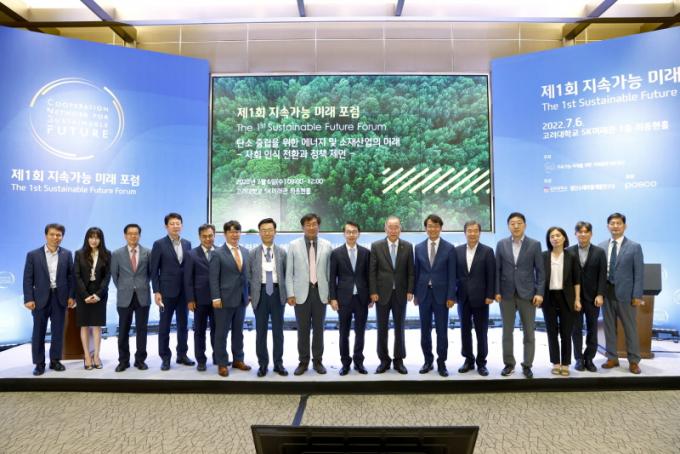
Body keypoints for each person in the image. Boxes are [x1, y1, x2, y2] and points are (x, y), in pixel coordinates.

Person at [495, 212, 545, 378]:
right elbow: (497, 270)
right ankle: (509, 364)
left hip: (528, 294)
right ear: (508, 226)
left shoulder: (535, 244)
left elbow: (540, 271)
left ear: (525, 225)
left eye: (519, 223)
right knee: (507, 331)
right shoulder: (501, 244)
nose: (515, 226)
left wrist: (539, 293)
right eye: (512, 223)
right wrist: (497, 291)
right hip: (506, 293)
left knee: (529, 332)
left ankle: (527, 365)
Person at [22, 223, 75, 376]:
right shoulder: (33, 255)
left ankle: (55, 361)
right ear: (46, 235)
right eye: (52, 234)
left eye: (59, 235)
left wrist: (71, 296)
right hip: (39, 299)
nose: (55, 237)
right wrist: (28, 298)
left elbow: (71, 277)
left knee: (58, 331)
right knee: (38, 332)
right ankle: (39, 363)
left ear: (62, 237)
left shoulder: (67, 254)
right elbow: (27, 278)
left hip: (60, 298)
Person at [286, 213, 332, 376]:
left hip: (320, 293)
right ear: (303, 227)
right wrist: (290, 293)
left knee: (319, 329)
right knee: (303, 330)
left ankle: (318, 361)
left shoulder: (327, 245)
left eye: (314, 224)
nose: (311, 227)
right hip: (300, 294)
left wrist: (331, 294)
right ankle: (303, 361)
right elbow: (289, 272)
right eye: (308, 225)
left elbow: (329, 272)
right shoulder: (293, 245)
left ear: (318, 226)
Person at [598, 213, 644, 374]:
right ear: (608, 226)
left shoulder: (634, 247)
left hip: (626, 295)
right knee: (609, 328)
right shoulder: (601, 246)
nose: (615, 226)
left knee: (630, 329)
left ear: (625, 226)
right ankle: (612, 357)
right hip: (606, 293)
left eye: (618, 223)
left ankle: (634, 361)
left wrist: (637, 295)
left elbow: (639, 273)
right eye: (612, 223)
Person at [369, 215, 415, 375]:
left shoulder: (407, 246)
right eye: (390, 227)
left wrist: (410, 290)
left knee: (399, 328)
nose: (393, 230)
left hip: (401, 294)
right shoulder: (376, 246)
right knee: (382, 328)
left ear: (400, 229)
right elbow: (372, 271)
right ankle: (384, 360)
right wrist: (373, 291)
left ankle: (399, 360)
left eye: (396, 227)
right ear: (385, 228)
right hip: (381, 294)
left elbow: (411, 272)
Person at [150, 212, 195, 371]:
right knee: (165, 326)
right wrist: (156, 291)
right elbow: (154, 271)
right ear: (166, 226)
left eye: (178, 223)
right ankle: (165, 357)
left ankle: (182, 355)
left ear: (182, 225)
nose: (176, 226)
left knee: (183, 325)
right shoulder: (159, 244)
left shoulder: (188, 244)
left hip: (184, 293)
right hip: (166, 292)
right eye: (172, 224)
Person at [413, 214, 456, 377]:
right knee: (425, 330)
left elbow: (452, 275)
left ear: (440, 228)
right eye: (430, 226)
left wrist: (451, 296)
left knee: (442, 331)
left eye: (436, 226)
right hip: (424, 294)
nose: (432, 229)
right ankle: (428, 361)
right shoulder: (418, 248)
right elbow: (416, 272)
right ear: (426, 228)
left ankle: (442, 363)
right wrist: (416, 294)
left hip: (442, 296)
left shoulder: (449, 248)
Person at [209, 220, 251, 377]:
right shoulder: (217, 253)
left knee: (238, 332)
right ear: (225, 234)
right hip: (223, 300)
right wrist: (215, 297)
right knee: (221, 333)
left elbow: (247, 275)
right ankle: (222, 363)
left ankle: (238, 360)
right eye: (231, 232)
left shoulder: (245, 252)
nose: (235, 235)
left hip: (241, 299)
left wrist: (249, 294)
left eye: (237, 231)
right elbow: (213, 278)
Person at [248, 218, 289, 377]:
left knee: (278, 332)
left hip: (277, 293)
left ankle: (278, 364)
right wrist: (251, 294)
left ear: (275, 232)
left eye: (270, 230)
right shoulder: (253, 253)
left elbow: (286, 274)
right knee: (261, 332)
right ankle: (263, 364)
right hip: (261, 294)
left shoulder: (282, 252)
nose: (267, 233)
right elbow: (249, 276)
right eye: (263, 230)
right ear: (259, 233)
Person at [329, 221, 371, 376]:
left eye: (354, 232)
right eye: (348, 232)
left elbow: (369, 276)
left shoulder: (366, 252)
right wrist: (333, 298)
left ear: (358, 234)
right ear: (344, 234)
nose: (351, 234)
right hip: (343, 299)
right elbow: (332, 277)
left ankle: (359, 362)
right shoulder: (336, 253)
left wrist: (371, 296)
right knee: (344, 333)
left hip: (361, 298)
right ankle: (345, 363)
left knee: (360, 332)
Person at [455, 220, 495, 377]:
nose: (472, 233)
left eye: (475, 231)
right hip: (462, 297)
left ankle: (481, 362)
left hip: (481, 298)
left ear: (480, 233)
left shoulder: (487, 251)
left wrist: (490, 295)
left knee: (481, 332)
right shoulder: (457, 251)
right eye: (469, 231)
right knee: (465, 330)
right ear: (465, 233)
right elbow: (454, 275)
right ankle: (468, 360)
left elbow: (491, 275)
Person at [111, 223, 152, 372]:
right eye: (130, 234)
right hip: (124, 296)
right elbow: (115, 275)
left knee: (142, 330)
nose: (133, 236)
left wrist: (141, 285)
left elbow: (150, 273)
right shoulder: (117, 253)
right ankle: (123, 361)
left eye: (136, 234)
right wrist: (125, 287)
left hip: (143, 295)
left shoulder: (148, 252)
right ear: (125, 235)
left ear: (139, 235)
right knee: (123, 330)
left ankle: (140, 360)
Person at [542, 227, 581, 377]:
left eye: (558, 235)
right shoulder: (543, 256)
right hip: (549, 297)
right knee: (551, 332)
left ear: (564, 238)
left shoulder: (572, 256)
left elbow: (577, 280)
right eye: (552, 236)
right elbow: (539, 278)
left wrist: (577, 299)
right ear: (549, 240)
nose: (555, 238)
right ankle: (555, 363)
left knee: (566, 333)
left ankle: (565, 364)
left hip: (567, 298)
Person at [568, 221, 607, 372]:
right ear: (575, 234)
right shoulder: (568, 251)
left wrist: (600, 294)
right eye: (580, 232)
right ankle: (578, 359)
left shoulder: (599, 252)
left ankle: (589, 358)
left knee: (592, 329)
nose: (583, 234)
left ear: (591, 234)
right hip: (574, 298)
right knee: (576, 329)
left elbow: (602, 275)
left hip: (593, 298)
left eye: (586, 232)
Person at [73, 227, 111, 370]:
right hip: (83, 295)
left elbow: (107, 277)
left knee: (96, 326)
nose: (94, 240)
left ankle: (96, 356)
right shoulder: (79, 254)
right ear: (87, 238)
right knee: (84, 325)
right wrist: (85, 295)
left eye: (97, 237)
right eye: (91, 237)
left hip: (99, 295)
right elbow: (76, 276)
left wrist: (98, 294)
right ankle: (87, 356)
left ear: (101, 239)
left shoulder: (107, 254)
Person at [184, 224, 217, 372]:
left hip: (217, 300)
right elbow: (188, 279)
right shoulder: (191, 254)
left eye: (210, 236)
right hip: (199, 300)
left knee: (218, 331)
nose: (208, 239)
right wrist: (190, 299)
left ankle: (218, 356)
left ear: (214, 236)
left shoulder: (220, 252)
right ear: (199, 237)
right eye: (204, 236)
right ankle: (201, 360)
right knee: (200, 332)